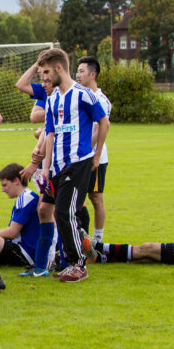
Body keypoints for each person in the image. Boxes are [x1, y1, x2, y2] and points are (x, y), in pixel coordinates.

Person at [21, 48, 108, 283]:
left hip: (78, 163)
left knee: (64, 211)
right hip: (56, 166)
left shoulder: (82, 94)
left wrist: (96, 155)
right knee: (46, 210)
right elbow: (49, 133)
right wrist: (46, 166)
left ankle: (77, 264)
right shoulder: (53, 98)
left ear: (59, 68)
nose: (45, 78)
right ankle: (60, 258)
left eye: (47, 72)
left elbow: (104, 122)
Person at [75, 56, 111, 246]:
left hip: (94, 157)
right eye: (77, 71)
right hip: (80, 156)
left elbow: (100, 128)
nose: (78, 75)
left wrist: (90, 154)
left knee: (95, 197)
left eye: (81, 71)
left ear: (92, 74)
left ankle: (97, 240)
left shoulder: (100, 100)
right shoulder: (79, 95)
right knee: (77, 197)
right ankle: (80, 237)